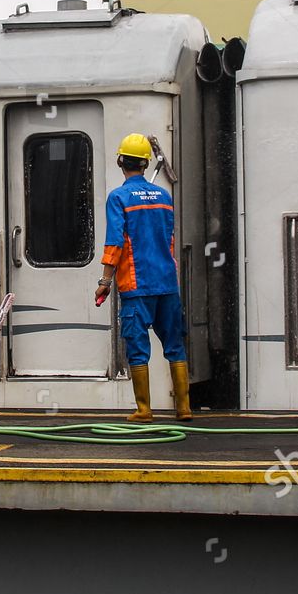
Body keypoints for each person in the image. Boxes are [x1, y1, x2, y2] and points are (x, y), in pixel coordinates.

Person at [97, 133, 191, 422]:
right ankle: (184, 408)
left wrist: (105, 281)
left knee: (137, 346)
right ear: (145, 162)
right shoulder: (164, 196)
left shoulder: (119, 197)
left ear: (120, 161)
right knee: (174, 344)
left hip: (137, 286)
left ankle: (144, 409)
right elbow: (169, 239)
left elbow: (115, 241)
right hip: (167, 283)